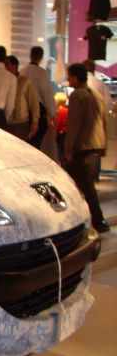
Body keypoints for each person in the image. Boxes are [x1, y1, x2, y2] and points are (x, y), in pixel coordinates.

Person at [64, 63, 109, 233]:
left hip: (82, 146)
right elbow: (103, 121)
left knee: (79, 185)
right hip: (95, 144)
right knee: (87, 184)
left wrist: (68, 148)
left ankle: (93, 220)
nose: (68, 80)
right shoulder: (95, 94)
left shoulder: (77, 95)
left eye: (69, 76)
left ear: (76, 77)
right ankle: (95, 220)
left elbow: (74, 124)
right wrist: (104, 144)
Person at [21, 46, 57, 149]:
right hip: (39, 109)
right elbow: (47, 93)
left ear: (30, 56)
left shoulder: (22, 71)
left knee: (24, 142)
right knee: (36, 143)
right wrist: (52, 113)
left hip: (24, 108)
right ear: (41, 57)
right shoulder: (42, 72)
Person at [6, 54, 39, 141]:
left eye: (7, 64)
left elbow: (34, 102)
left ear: (14, 66)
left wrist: (35, 121)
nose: (4, 67)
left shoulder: (25, 82)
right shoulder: (3, 82)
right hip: (6, 121)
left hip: (21, 122)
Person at [55, 91, 68, 156]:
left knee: (60, 152)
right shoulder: (67, 110)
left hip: (61, 134)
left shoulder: (60, 111)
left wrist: (54, 135)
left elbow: (57, 124)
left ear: (58, 101)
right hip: (66, 133)